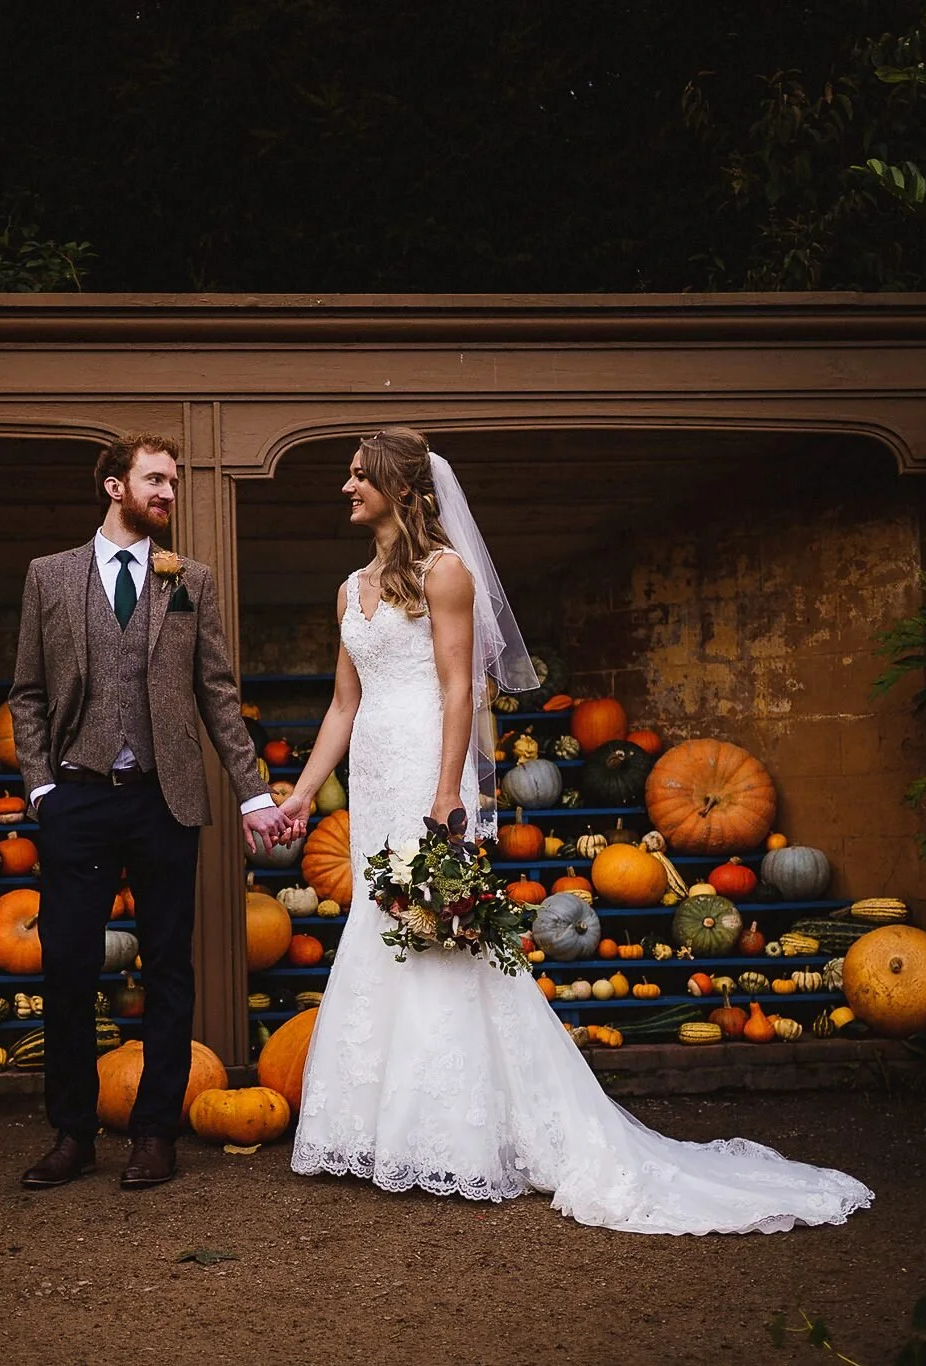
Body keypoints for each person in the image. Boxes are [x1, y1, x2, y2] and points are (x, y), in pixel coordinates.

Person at [276, 427, 873, 1233]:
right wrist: (302, 797)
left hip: (426, 768)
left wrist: (447, 794)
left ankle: (455, 1136)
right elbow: (343, 704)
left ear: (402, 488)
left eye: (358, 475)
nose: (346, 487)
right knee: (380, 932)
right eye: (347, 475)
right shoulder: (349, 590)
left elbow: (461, 693)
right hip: (375, 777)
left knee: (441, 942)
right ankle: (373, 1130)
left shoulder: (445, 574)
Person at [8, 432, 301, 1191]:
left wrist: (254, 792)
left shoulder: (188, 580)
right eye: (155, 480)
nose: (169, 493)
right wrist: (42, 786)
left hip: (164, 802)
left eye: (172, 481)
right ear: (114, 487)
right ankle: (72, 1134)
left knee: (169, 968)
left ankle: (155, 1133)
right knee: (69, 970)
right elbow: (29, 692)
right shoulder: (50, 576)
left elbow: (218, 695)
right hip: (76, 798)